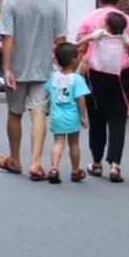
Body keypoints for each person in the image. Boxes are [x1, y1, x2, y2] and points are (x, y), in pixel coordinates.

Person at [0, 0, 66, 181]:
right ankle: (36, 163)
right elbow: (61, 40)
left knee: (14, 113)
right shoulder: (52, 2)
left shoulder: (10, 2)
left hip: (16, 70)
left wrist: (7, 69)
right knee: (39, 112)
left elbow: (7, 37)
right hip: (43, 69)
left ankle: (16, 159)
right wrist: (65, 68)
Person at [75, 0, 129, 183]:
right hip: (120, 76)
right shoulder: (128, 21)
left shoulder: (88, 19)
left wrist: (75, 74)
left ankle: (96, 162)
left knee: (96, 118)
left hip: (94, 75)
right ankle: (115, 165)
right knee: (117, 120)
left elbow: (80, 48)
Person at [45, 42, 90, 184]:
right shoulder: (77, 79)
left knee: (58, 142)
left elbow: (48, 92)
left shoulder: (53, 77)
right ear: (74, 60)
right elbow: (81, 99)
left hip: (56, 116)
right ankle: (75, 171)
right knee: (74, 143)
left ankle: (54, 168)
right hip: (72, 116)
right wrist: (83, 116)